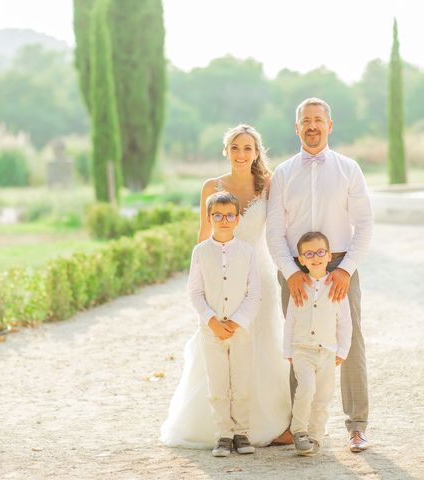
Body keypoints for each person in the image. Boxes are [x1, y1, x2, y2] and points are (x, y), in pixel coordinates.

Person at [160, 125, 291, 448]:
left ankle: (261, 424)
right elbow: (203, 236)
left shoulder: (269, 184)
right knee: (217, 345)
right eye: (235, 147)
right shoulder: (212, 186)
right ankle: (217, 427)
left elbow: (280, 230)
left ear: (257, 152)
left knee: (261, 347)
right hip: (218, 276)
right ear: (226, 151)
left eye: (248, 148)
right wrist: (201, 286)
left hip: (257, 274)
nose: (241, 154)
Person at [267, 97, 374, 452]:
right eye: (305, 121)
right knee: (300, 344)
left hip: (339, 268)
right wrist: (289, 271)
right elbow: (275, 230)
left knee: (350, 341)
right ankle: (300, 428)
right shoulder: (282, 173)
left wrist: (345, 270)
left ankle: (356, 425)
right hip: (296, 270)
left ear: (330, 125)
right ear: (297, 128)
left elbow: (365, 224)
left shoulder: (348, 169)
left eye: (318, 119)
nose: (312, 126)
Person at [187, 191, 259, 457]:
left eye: (230, 215)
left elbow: (254, 292)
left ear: (238, 219)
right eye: (218, 215)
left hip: (242, 331)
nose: (224, 220)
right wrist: (211, 321)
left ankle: (242, 432)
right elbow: (194, 292)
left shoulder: (247, 252)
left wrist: (238, 321)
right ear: (209, 218)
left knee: (241, 381)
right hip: (211, 330)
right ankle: (223, 435)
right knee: (217, 383)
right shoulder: (201, 252)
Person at [284, 231, 352, 456]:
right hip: (302, 350)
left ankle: (316, 434)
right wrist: (288, 351)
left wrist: (342, 350)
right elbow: (290, 321)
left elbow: (344, 322)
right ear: (301, 259)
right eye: (309, 253)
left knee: (323, 396)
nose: (316, 257)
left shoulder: (336, 287)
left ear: (329, 255)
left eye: (320, 252)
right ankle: (300, 430)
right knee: (306, 389)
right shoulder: (298, 287)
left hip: (328, 352)